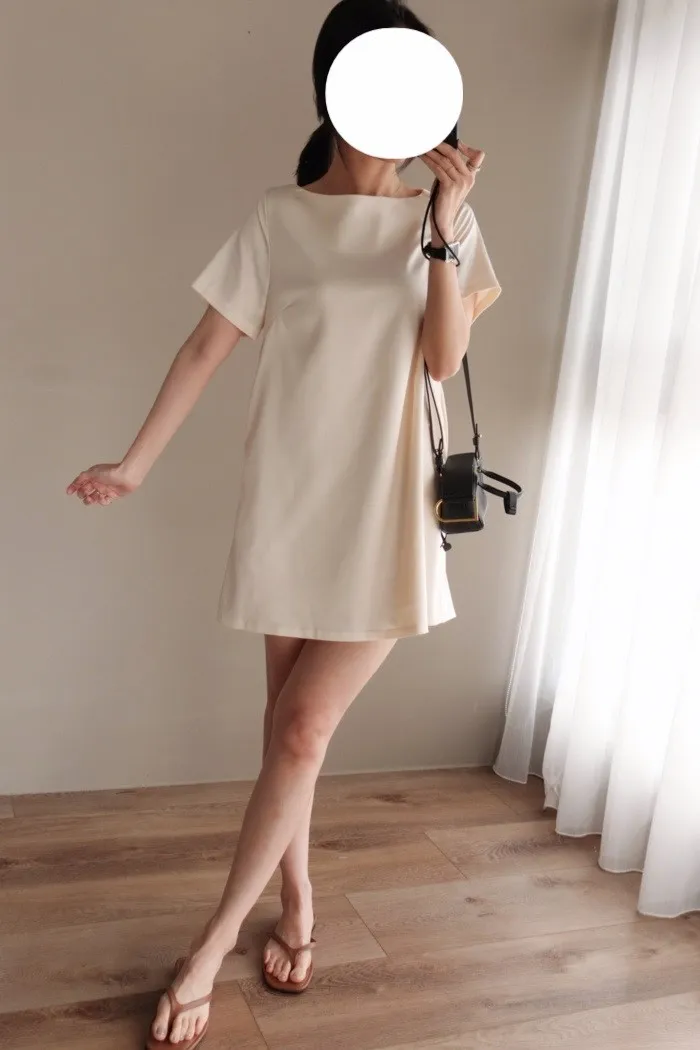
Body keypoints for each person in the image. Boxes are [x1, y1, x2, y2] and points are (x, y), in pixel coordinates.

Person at [66, 1, 501, 1046]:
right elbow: (204, 348)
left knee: (301, 731)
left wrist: (441, 234)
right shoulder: (279, 217)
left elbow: (443, 360)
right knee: (286, 736)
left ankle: (210, 946)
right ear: (336, 87)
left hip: (388, 509)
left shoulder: (443, 218)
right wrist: (134, 465)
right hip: (291, 501)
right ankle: (298, 905)